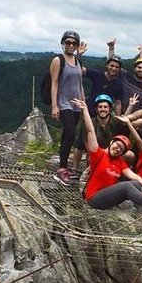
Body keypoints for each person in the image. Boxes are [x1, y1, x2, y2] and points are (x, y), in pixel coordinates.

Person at [71, 98, 142, 216]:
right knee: (125, 186)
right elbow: (90, 131)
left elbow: (133, 176)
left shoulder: (119, 161)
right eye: (118, 145)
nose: (118, 149)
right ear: (111, 142)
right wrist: (85, 110)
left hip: (109, 197)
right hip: (94, 198)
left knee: (136, 183)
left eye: (122, 149)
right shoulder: (98, 154)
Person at [71, 94, 142, 170]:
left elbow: (132, 116)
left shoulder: (115, 120)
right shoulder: (90, 123)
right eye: (100, 107)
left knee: (130, 155)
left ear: (110, 109)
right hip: (98, 154)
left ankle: (121, 173)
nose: (102, 109)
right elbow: (89, 148)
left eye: (105, 107)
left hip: (114, 152)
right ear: (96, 109)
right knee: (90, 158)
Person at [51, 30, 85, 186]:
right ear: (63, 43)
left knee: (67, 135)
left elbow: (80, 84)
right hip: (64, 102)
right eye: (68, 42)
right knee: (70, 133)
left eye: (73, 43)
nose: (71, 45)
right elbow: (54, 83)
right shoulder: (58, 60)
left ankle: (62, 166)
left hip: (76, 104)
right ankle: (62, 169)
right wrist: (54, 105)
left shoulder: (78, 61)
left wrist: (83, 104)